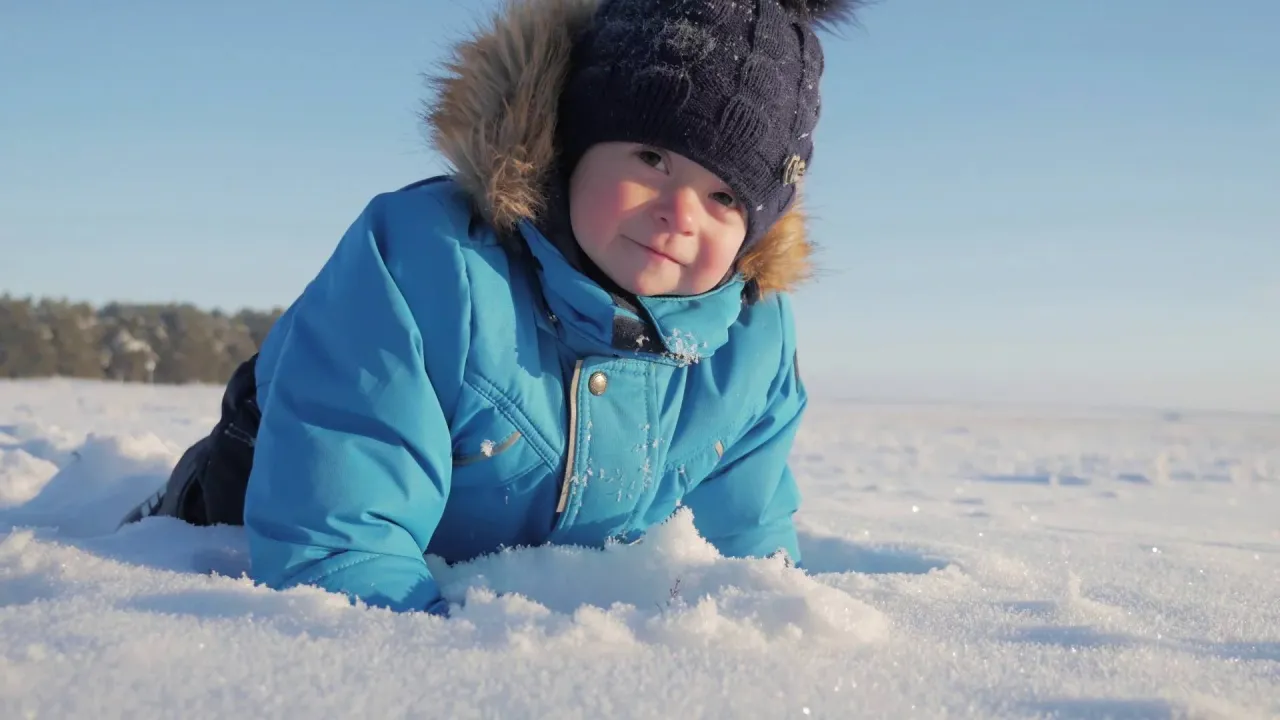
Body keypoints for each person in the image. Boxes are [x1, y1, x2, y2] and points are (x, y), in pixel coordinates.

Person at [120, 0, 861, 616]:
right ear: (574, 144)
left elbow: (745, 544)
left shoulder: (748, 343)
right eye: (651, 159)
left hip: (479, 554)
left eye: (725, 195)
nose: (680, 214)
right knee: (195, 526)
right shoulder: (427, 261)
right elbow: (340, 540)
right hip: (262, 498)